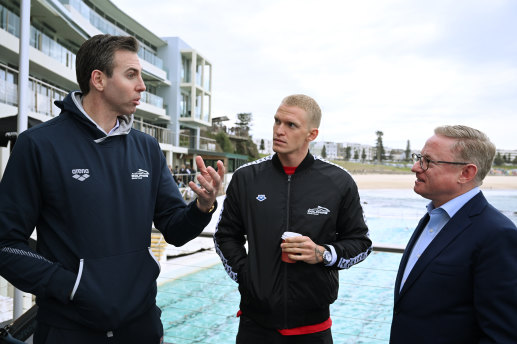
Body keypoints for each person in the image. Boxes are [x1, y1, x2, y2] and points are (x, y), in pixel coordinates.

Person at [0, 34, 224, 344]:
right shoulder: (38, 145)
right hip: (68, 331)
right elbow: (6, 245)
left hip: (141, 327)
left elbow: (175, 228)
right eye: (131, 74)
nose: (142, 86)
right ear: (99, 80)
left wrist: (202, 208)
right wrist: (72, 286)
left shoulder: (147, 148)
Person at [214, 94, 372, 343]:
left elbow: (361, 243)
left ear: (312, 134)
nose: (279, 130)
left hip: (313, 328)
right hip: (255, 325)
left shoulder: (338, 182)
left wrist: (322, 253)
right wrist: (247, 276)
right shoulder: (246, 178)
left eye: (291, 125)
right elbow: (225, 235)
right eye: (277, 121)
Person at [390, 125, 517, 343]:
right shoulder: (433, 217)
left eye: (427, 161)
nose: (415, 167)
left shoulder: (497, 235)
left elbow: (502, 334)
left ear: (466, 173)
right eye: (419, 157)